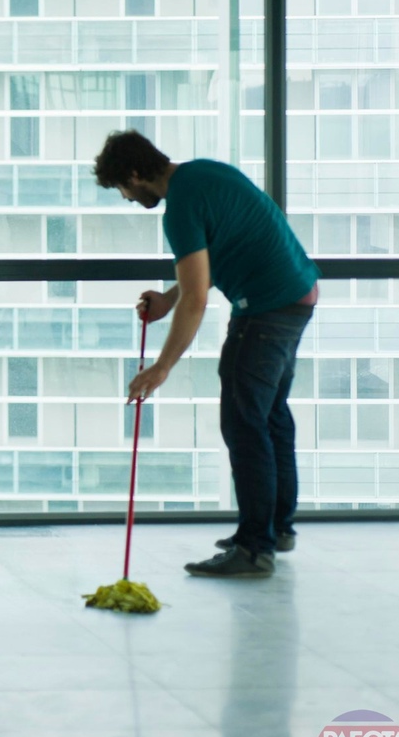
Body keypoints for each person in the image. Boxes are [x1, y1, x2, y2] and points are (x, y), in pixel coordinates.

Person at [93, 130, 320, 578]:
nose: (124, 197)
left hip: (266, 308)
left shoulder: (178, 209)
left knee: (244, 422)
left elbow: (198, 297)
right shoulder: (204, 174)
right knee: (270, 415)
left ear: (136, 174)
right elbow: (211, 262)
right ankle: (275, 528)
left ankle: (255, 549)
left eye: (121, 187)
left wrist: (161, 368)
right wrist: (168, 300)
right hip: (298, 294)